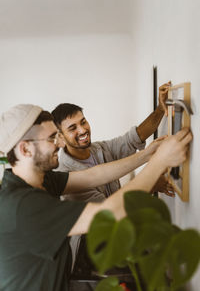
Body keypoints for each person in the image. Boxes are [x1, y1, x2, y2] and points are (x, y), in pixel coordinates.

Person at [0, 104, 192, 291]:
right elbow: (110, 214)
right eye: (51, 138)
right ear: (25, 150)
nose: (59, 143)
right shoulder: (23, 206)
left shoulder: (40, 179)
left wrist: (148, 154)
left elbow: (93, 175)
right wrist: (160, 162)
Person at [52, 82, 173, 202]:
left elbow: (134, 138)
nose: (82, 130)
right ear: (60, 137)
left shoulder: (99, 149)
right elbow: (109, 210)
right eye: (73, 128)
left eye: (83, 122)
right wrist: (150, 183)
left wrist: (161, 109)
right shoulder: (66, 177)